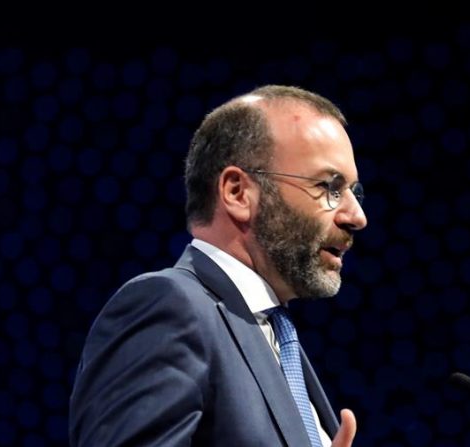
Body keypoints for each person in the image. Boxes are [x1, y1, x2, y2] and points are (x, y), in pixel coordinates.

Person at [69, 85, 367, 446]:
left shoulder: (272, 334)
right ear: (238, 193)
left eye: (354, 191)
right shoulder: (169, 308)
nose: (356, 216)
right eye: (329, 187)